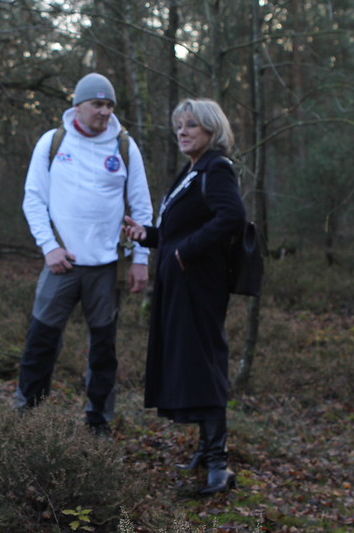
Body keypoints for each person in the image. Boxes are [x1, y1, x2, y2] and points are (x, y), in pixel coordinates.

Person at [15, 72, 154, 434]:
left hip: (107, 267)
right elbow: (34, 200)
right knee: (40, 342)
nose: (104, 111)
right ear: (78, 106)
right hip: (61, 264)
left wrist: (141, 259)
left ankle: (98, 423)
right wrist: (49, 247)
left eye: (109, 105)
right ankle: (29, 418)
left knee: (104, 350)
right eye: (98, 104)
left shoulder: (124, 146)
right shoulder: (53, 143)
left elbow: (141, 207)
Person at [124, 98, 246, 493]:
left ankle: (218, 464)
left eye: (191, 124)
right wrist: (150, 234)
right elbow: (178, 230)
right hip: (180, 283)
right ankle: (206, 448)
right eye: (179, 125)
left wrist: (184, 251)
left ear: (212, 130)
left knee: (205, 363)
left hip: (200, 285)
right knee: (191, 364)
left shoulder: (217, 168)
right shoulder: (191, 171)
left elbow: (232, 218)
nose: (182, 131)